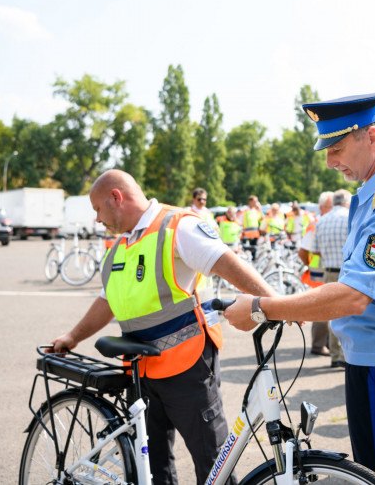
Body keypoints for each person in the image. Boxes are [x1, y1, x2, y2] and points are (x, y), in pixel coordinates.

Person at [224, 92, 375, 485]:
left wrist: (262, 307)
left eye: (337, 148)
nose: (330, 161)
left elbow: (353, 295)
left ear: (372, 138)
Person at [47, 170, 278, 485]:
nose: (96, 219)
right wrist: (74, 336)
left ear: (117, 197)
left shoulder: (178, 226)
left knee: (212, 463)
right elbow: (107, 301)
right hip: (141, 372)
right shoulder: (120, 247)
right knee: (153, 467)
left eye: (98, 209)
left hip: (188, 367)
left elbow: (228, 263)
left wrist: (276, 302)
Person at [311, 188, 353, 368]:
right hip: (348, 272)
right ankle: (345, 355)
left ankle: (335, 355)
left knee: (332, 314)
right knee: (349, 314)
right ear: (346, 202)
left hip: (329, 270)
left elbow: (315, 251)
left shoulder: (321, 221)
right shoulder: (351, 218)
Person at [298, 191, 334, 355]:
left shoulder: (327, 222)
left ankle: (324, 342)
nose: (333, 209)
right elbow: (303, 252)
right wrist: (310, 264)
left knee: (328, 308)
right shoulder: (315, 225)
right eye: (330, 206)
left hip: (322, 270)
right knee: (322, 309)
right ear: (321, 207)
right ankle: (319, 345)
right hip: (319, 272)